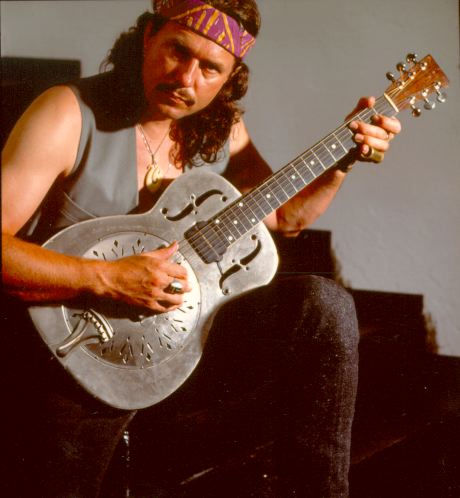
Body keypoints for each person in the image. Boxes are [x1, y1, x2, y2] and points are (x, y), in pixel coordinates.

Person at [1, 1, 401, 496]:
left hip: (180, 342)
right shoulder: (66, 112)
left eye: (210, 68)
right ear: (148, 36)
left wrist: (342, 161)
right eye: (177, 51)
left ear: (231, 77)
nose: (185, 78)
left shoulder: (218, 126)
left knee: (323, 306)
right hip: (73, 348)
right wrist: (106, 278)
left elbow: (285, 219)